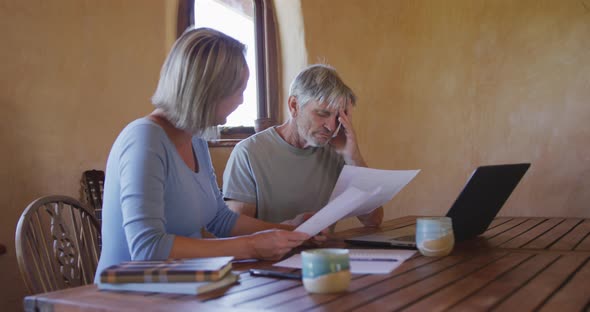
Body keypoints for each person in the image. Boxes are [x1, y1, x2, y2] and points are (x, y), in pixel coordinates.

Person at [94, 28, 311, 282]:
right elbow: (147, 249)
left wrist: (290, 230)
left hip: (182, 289)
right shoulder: (144, 140)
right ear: (208, 90)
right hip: (125, 298)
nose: (242, 100)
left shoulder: (196, 139)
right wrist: (251, 246)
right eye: (238, 90)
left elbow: (219, 218)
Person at [222, 64, 383, 227]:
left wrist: (353, 156)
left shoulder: (336, 151)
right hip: (270, 253)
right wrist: (290, 230)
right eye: (322, 114)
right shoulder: (249, 152)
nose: (331, 127)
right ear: (294, 106)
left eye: (337, 117)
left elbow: (373, 220)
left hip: (323, 252)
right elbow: (235, 228)